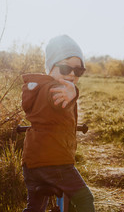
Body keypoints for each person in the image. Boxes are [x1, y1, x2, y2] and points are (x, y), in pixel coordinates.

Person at [22, 35, 95, 212]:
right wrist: (73, 93)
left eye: (78, 71)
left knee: (35, 207)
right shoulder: (55, 89)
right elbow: (57, 98)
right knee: (85, 198)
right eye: (64, 68)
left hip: (31, 164)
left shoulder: (37, 87)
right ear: (50, 69)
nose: (71, 74)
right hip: (55, 164)